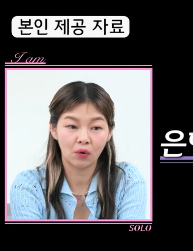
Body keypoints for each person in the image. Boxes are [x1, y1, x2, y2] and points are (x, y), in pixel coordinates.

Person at [8, 81, 147, 219]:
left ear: (109, 132)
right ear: (53, 129)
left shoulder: (128, 181)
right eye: (72, 126)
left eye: (96, 127)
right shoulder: (28, 186)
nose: (83, 138)